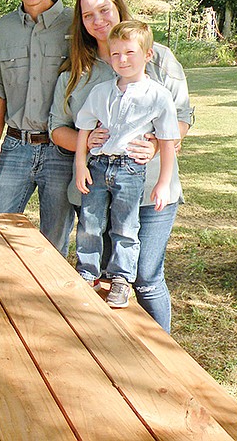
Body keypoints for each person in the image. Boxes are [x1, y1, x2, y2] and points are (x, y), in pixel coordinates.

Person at [49, 0, 193, 331]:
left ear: (119, 9)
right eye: (88, 15)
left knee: (144, 277)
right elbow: (58, 128)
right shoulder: (77, 72)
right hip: (98, 183)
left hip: (148, 189)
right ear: (80, 22)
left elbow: (182, 118)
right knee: (98, 275)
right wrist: (87, 143)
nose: (97, 20)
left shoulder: (157, 58)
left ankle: (163, 359)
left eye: (104, 10)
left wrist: (157, 144)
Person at [73, 20, 180, 308]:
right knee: (90, 223)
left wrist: (163, 184)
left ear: (147, 55)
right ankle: (87, 274)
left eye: (130, 53)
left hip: (131, 170)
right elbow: (84, 128)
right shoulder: (101, 92)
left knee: (125, 226)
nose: (122, 60)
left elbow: (167, 140)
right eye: (116, 54)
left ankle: (121, 279)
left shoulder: (157, 95)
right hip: (98, 166)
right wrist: (80, 166)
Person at [0, 0, 74, 256]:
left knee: (54, 245)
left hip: (61, 150)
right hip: (15, 147)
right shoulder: (3, 29)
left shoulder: (77, 25)